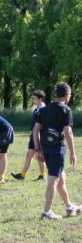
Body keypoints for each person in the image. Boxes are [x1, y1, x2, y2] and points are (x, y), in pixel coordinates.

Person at [33, 82, 81, 219]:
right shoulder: (66, 110)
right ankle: (47, 212)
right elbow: (68, 132)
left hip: (45, 148)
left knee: (61, 179)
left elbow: (36, 130)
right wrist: (73, 153)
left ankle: (69, 207)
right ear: (67, 96)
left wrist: (37, 150)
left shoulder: (43, 110)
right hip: (57, 149)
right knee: (53, 179)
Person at [11, 90, 47, 181]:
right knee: (32, 155)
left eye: (35, 98)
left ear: (41, 99)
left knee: (37, 155)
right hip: (34, 134)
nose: (33, 100)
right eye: (32, 98)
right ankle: (28, 175)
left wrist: (38, 137)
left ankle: (38, 175)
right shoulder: (37, 109)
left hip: (39, 135)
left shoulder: (43, 110)